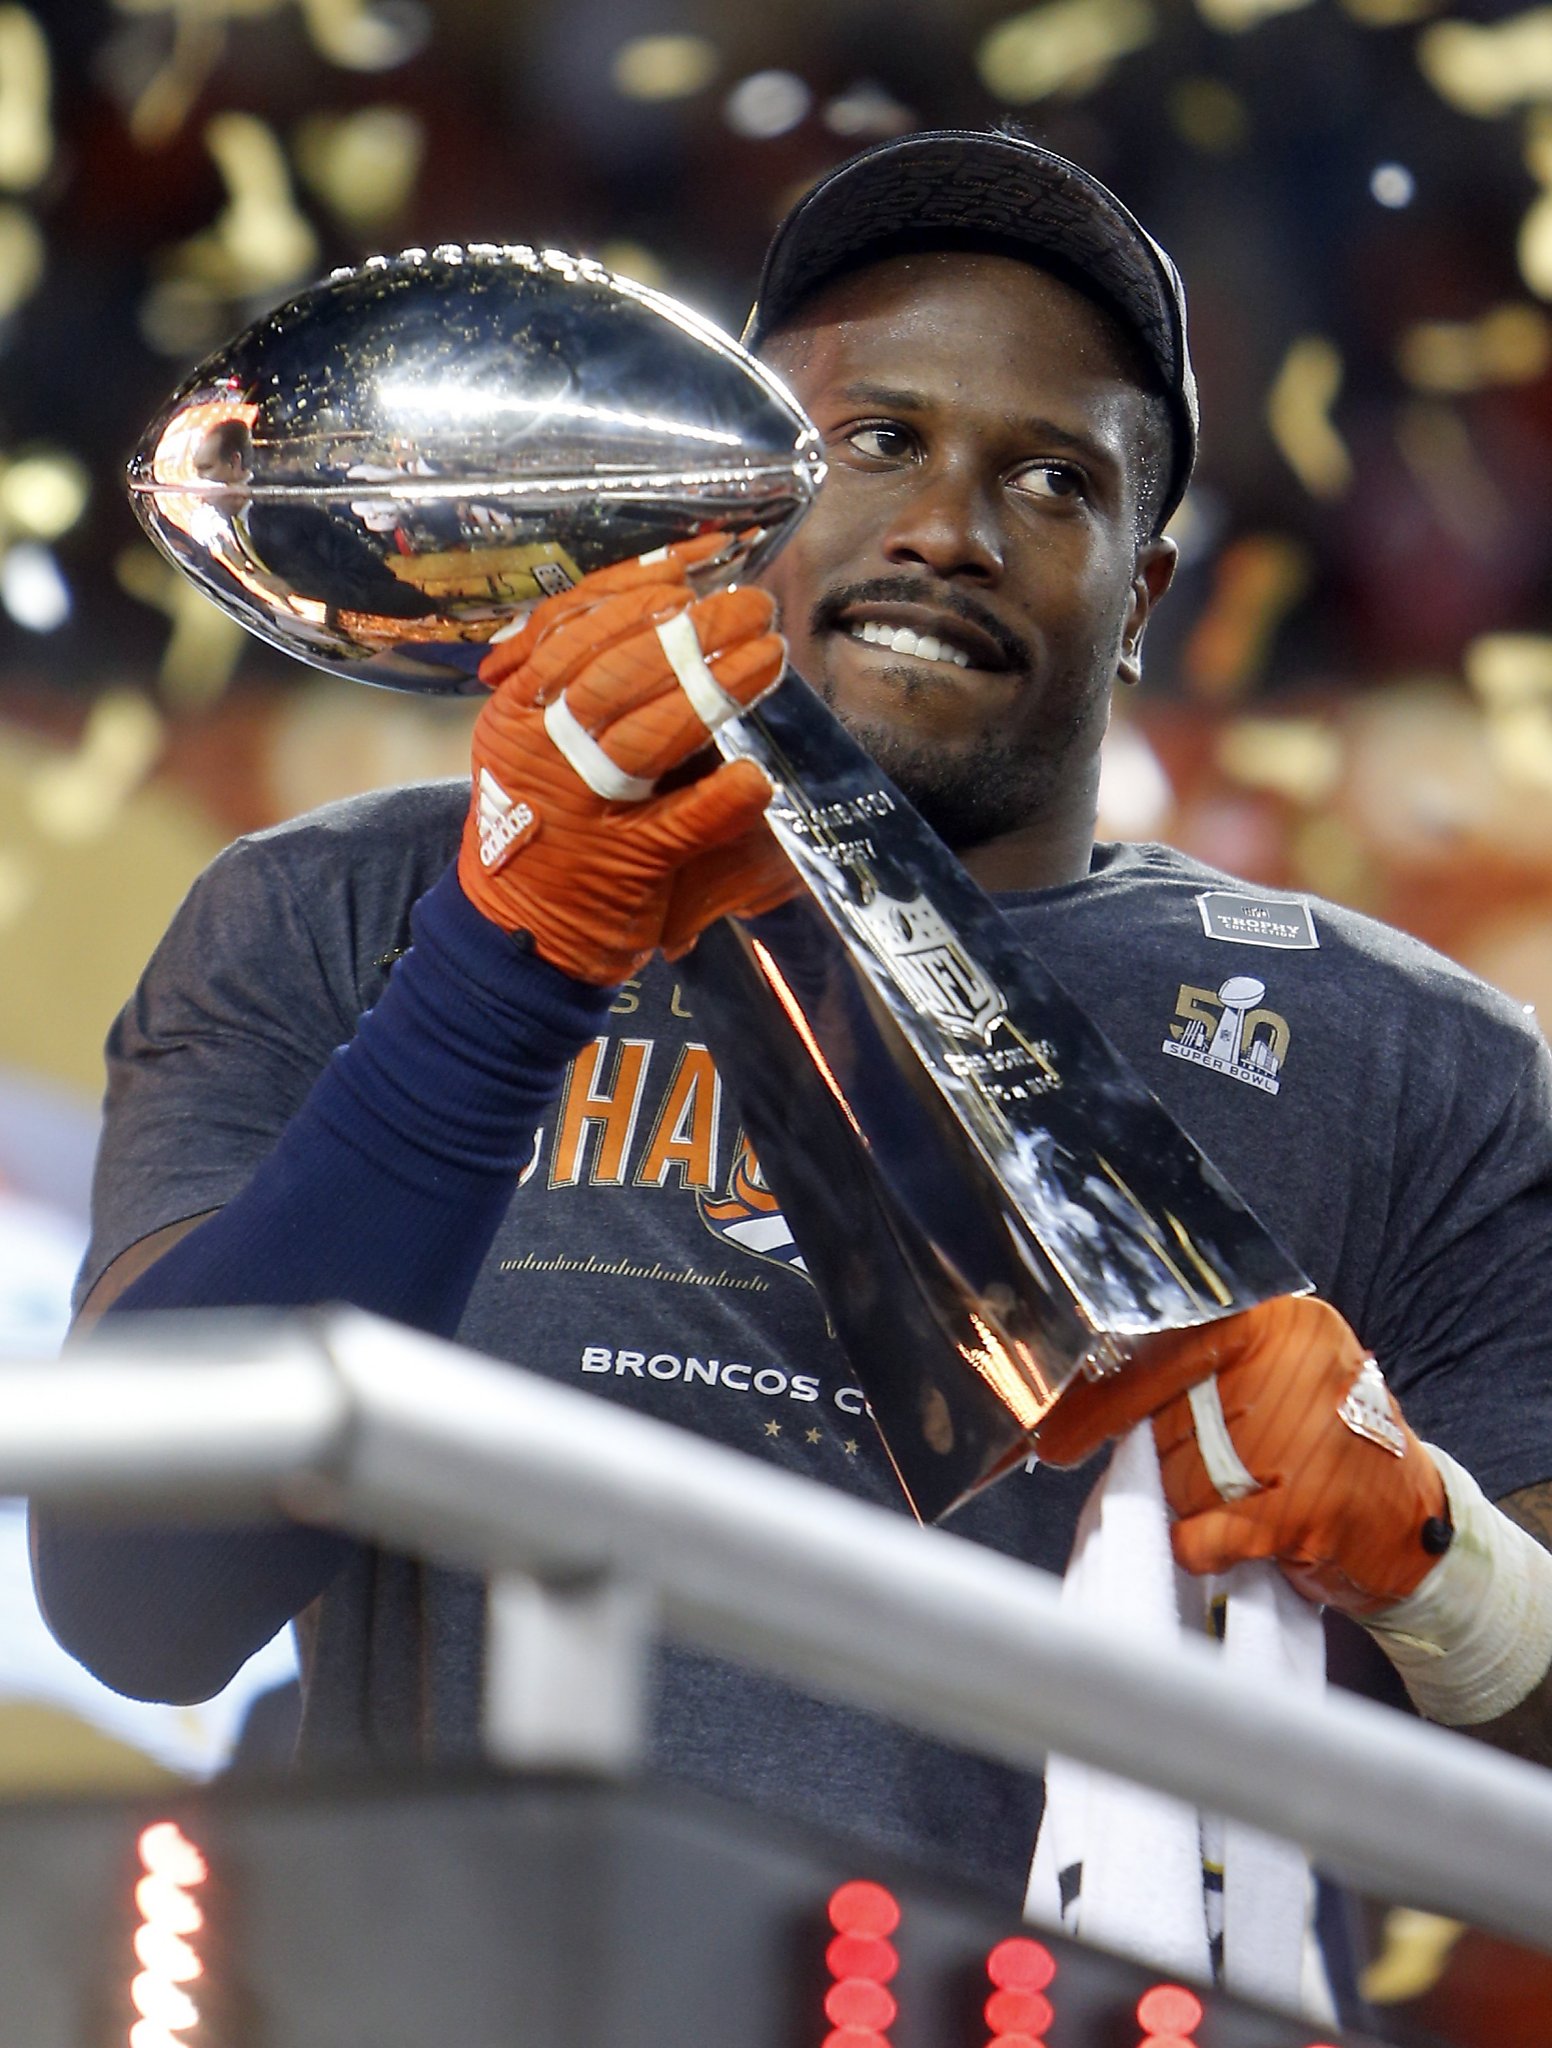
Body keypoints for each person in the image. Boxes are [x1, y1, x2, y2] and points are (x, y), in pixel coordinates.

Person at [31, 133, 1552, 1910]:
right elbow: (136, 1603)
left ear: (1142, 599)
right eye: (877, 441)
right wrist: (503, 968)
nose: (948, 529)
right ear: (730, 494)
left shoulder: (1400, 1063)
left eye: (1055, 481)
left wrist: (1438, 1567)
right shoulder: (351, 916)